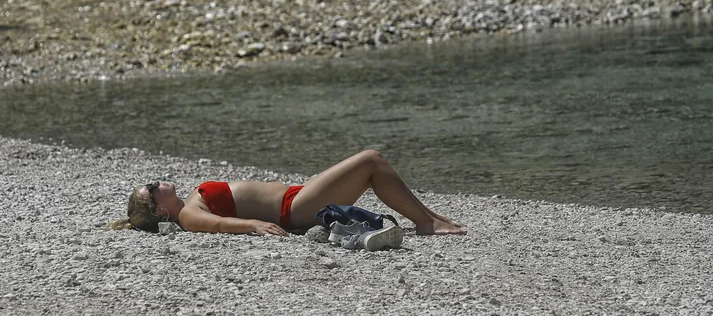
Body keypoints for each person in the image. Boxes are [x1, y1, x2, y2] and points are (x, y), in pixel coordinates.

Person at [109, 150, 466, 236]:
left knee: (369, 163)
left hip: (297, 195)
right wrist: (253, 225)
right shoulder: (188, 215)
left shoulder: (188, 201)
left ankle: (429, 219)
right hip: (293, 209)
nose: (157, 182)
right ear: (160, 211)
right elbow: (216, 225)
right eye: (153, 188)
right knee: (370, 160)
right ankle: (426, 222)